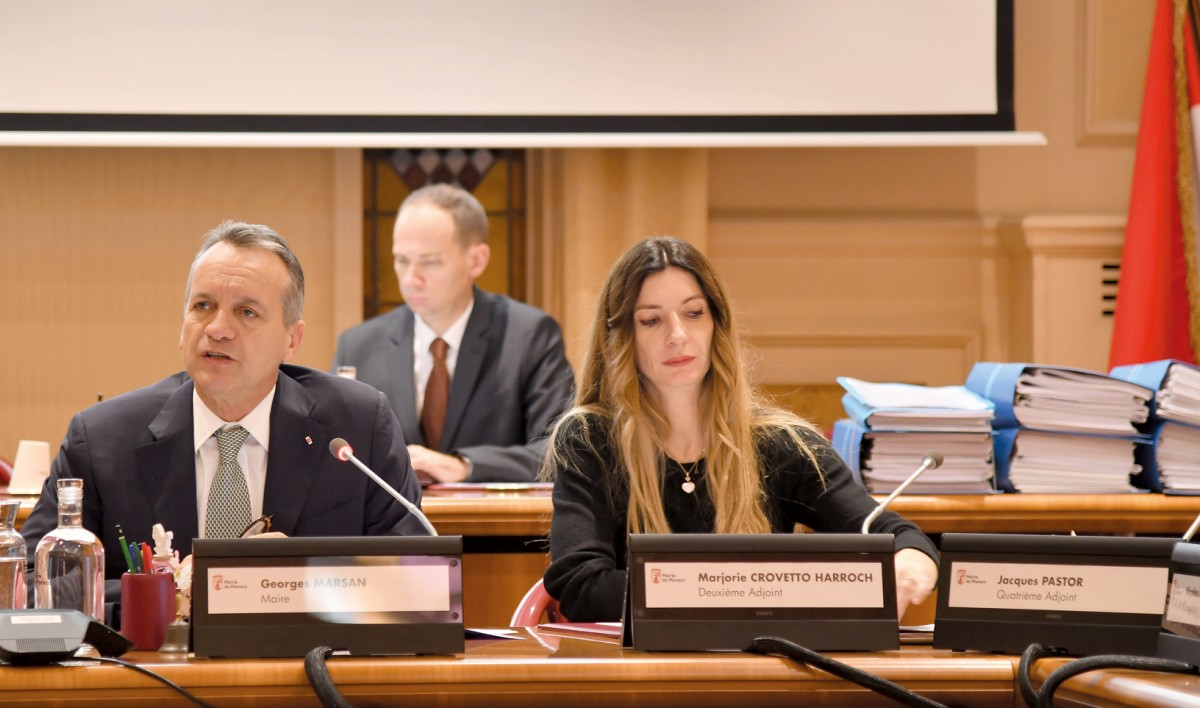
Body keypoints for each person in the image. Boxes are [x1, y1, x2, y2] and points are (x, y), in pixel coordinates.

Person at [21, 221, 425, 612]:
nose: (217, 328)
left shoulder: (357, 427)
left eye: (247, 312)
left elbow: (419, 581)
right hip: (157, 670)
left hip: (308, 669)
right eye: (203, 306)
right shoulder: (102, 440)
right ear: (183, 325)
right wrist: (175, 589)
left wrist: (297, 581)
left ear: (292, 339)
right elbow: (32, 587)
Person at [542, 236, 940, 622]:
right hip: (642, 676)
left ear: (717, 325)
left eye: (694, 313)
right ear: (621, 339)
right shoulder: (590, 440)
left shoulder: (781, 444)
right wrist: (735, 592)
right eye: (651, 320)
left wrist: (911, 560)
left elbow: (896, 534)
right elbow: (581, 586)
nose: (677, 335)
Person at [333, 184, 574, 483]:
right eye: (402, 260)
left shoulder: (529, 336)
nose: (411, 279)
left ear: (477, 260)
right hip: (390, 528)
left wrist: (463, 466)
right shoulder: (359, 347)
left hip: (496, 526)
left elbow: (558, 453)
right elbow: (335, 455)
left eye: (430, 262)